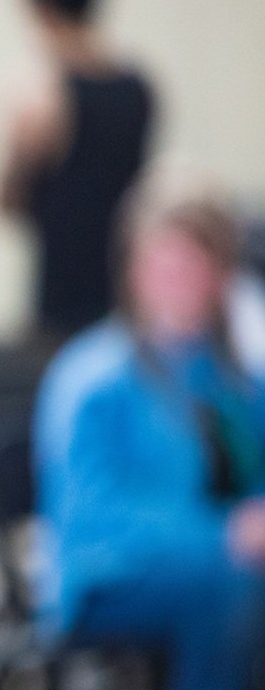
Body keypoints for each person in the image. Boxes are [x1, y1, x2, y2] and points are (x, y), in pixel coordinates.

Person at [33, 168, 265, 690]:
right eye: (164, 264)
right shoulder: (91, 380)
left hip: (226, 564)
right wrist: (221, 536)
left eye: (193, 265)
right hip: (112, 575)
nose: (177, 280)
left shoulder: (237, 379)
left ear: (221, 276)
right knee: (230, 587)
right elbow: (94, 516)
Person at [0, 0, 154, 338]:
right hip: (124, 283)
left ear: (43, 8)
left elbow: (6, 201)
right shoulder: (138, 87)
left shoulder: (39, 94)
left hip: (64, 294)